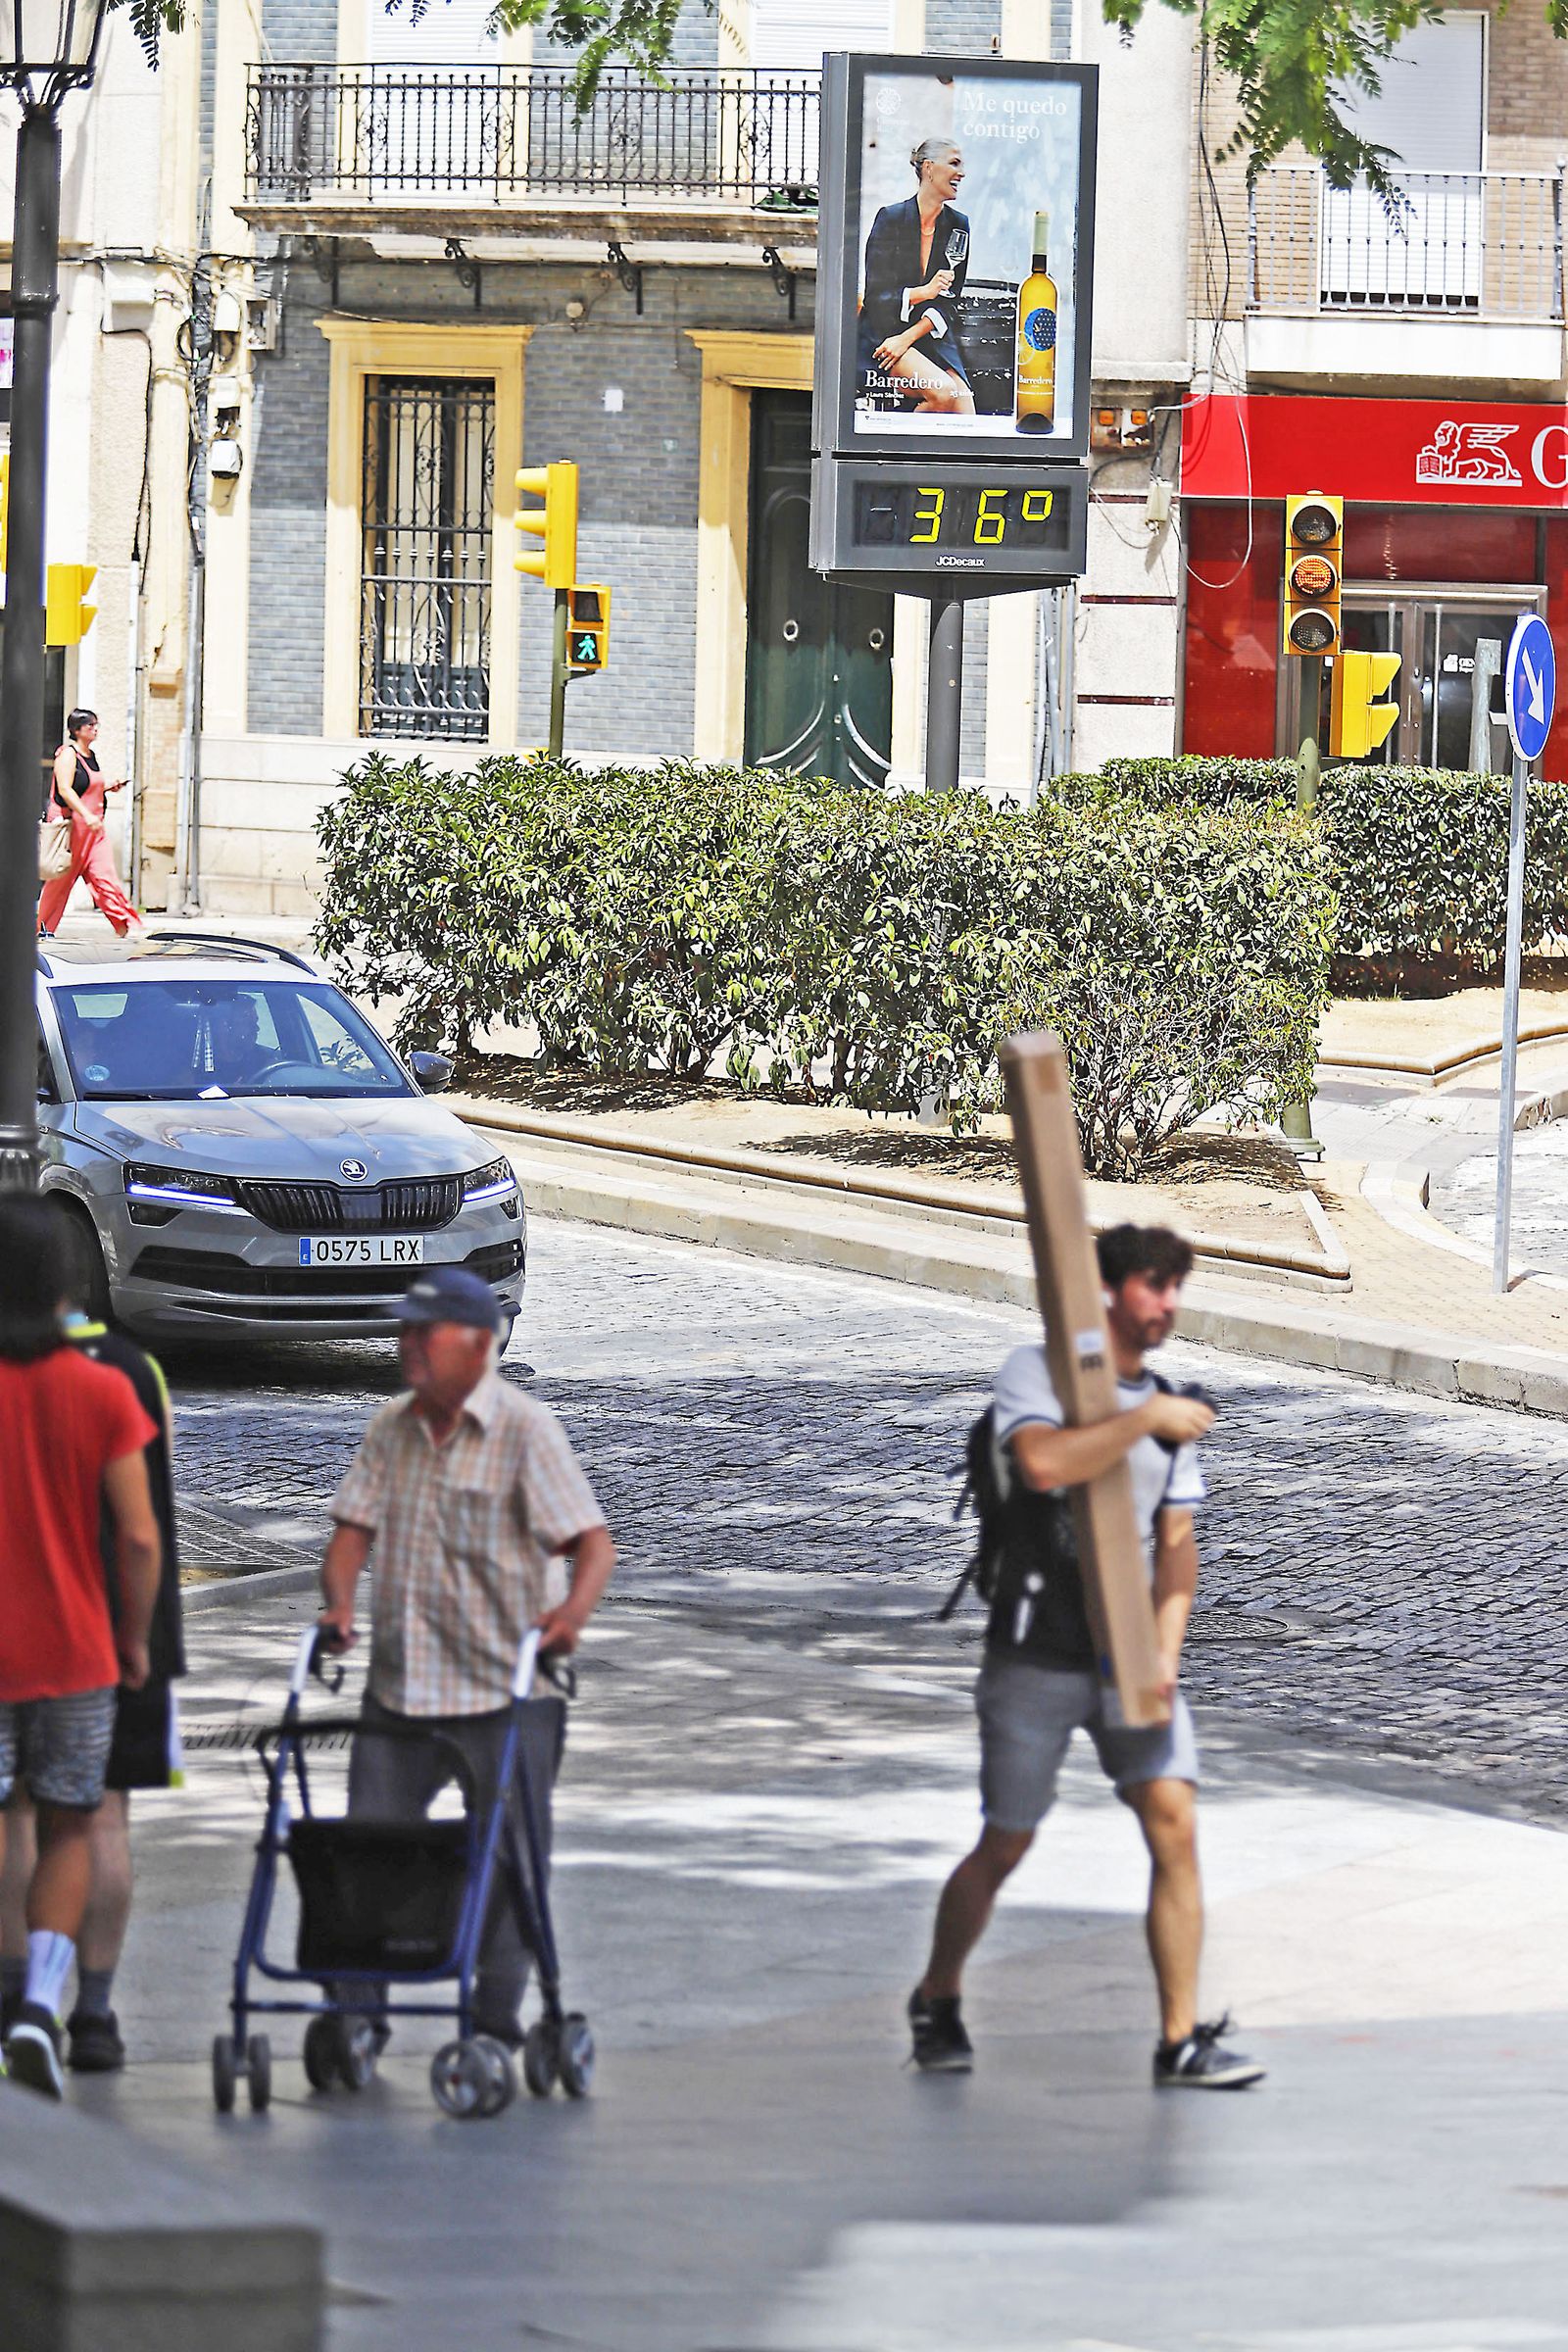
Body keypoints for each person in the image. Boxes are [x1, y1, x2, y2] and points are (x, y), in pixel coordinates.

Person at [908, 1224, 1265, 2090]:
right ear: (1107, 1292)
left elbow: (1176, 1547)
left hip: (1127, 1659)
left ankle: (1179, 2039)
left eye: (1177, 1287)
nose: (1169, 1304)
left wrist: (1165, 1652)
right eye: (1154, 1285)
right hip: (1036, 1650)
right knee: (1006, 1842)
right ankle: (938, 1993)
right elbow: (1040, 1464)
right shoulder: (1040, 1376)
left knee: (1174, 1826)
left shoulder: (1168, 1404)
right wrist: (1143, 1419)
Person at [318, 1264, 616, 2047]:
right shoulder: (392, 1426)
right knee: (368, 1847)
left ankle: (493, 2018)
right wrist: (342, 1600)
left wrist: (570, 1618)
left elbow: (591, 1544)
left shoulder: (526, 1430)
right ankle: (356, 2011)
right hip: (403, 1684)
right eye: (403, 1330)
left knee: (511, 1853)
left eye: (425, 1332)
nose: (407, 1346)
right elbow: (353, 1530)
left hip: (507, 1687)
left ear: (478, 1345)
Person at [0, 1198, 160, 2099]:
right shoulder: (105, 1389)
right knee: (69, 1822)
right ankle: (46, 2005)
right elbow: (137, 1539)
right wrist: (132, 1641)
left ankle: (8, 1997)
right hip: (76, 1651)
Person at [856, 137, 976, 417]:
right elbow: (875, 297)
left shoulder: (959, 225)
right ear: (929, 168)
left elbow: (949, 301)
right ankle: (891, 449)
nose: (962, 173)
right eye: (954, 164)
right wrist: (924, 291)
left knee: (966, 412)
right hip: (884, 332)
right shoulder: (891, 218)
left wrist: (907, 338)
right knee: (943, 393)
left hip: (927, 335)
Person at [36, 708, 144, 940]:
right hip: (73, 831)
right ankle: (40, 931)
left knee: (106, 879)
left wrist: (109, 787)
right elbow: (65, 789)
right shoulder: (67, 755)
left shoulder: (90, 755)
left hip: (94, 832)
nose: (95, 729)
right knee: (59, 885)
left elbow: (84, 785)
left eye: (96, 725)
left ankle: (125, 926)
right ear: (77, 730)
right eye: (90, 725)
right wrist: (86, 814)